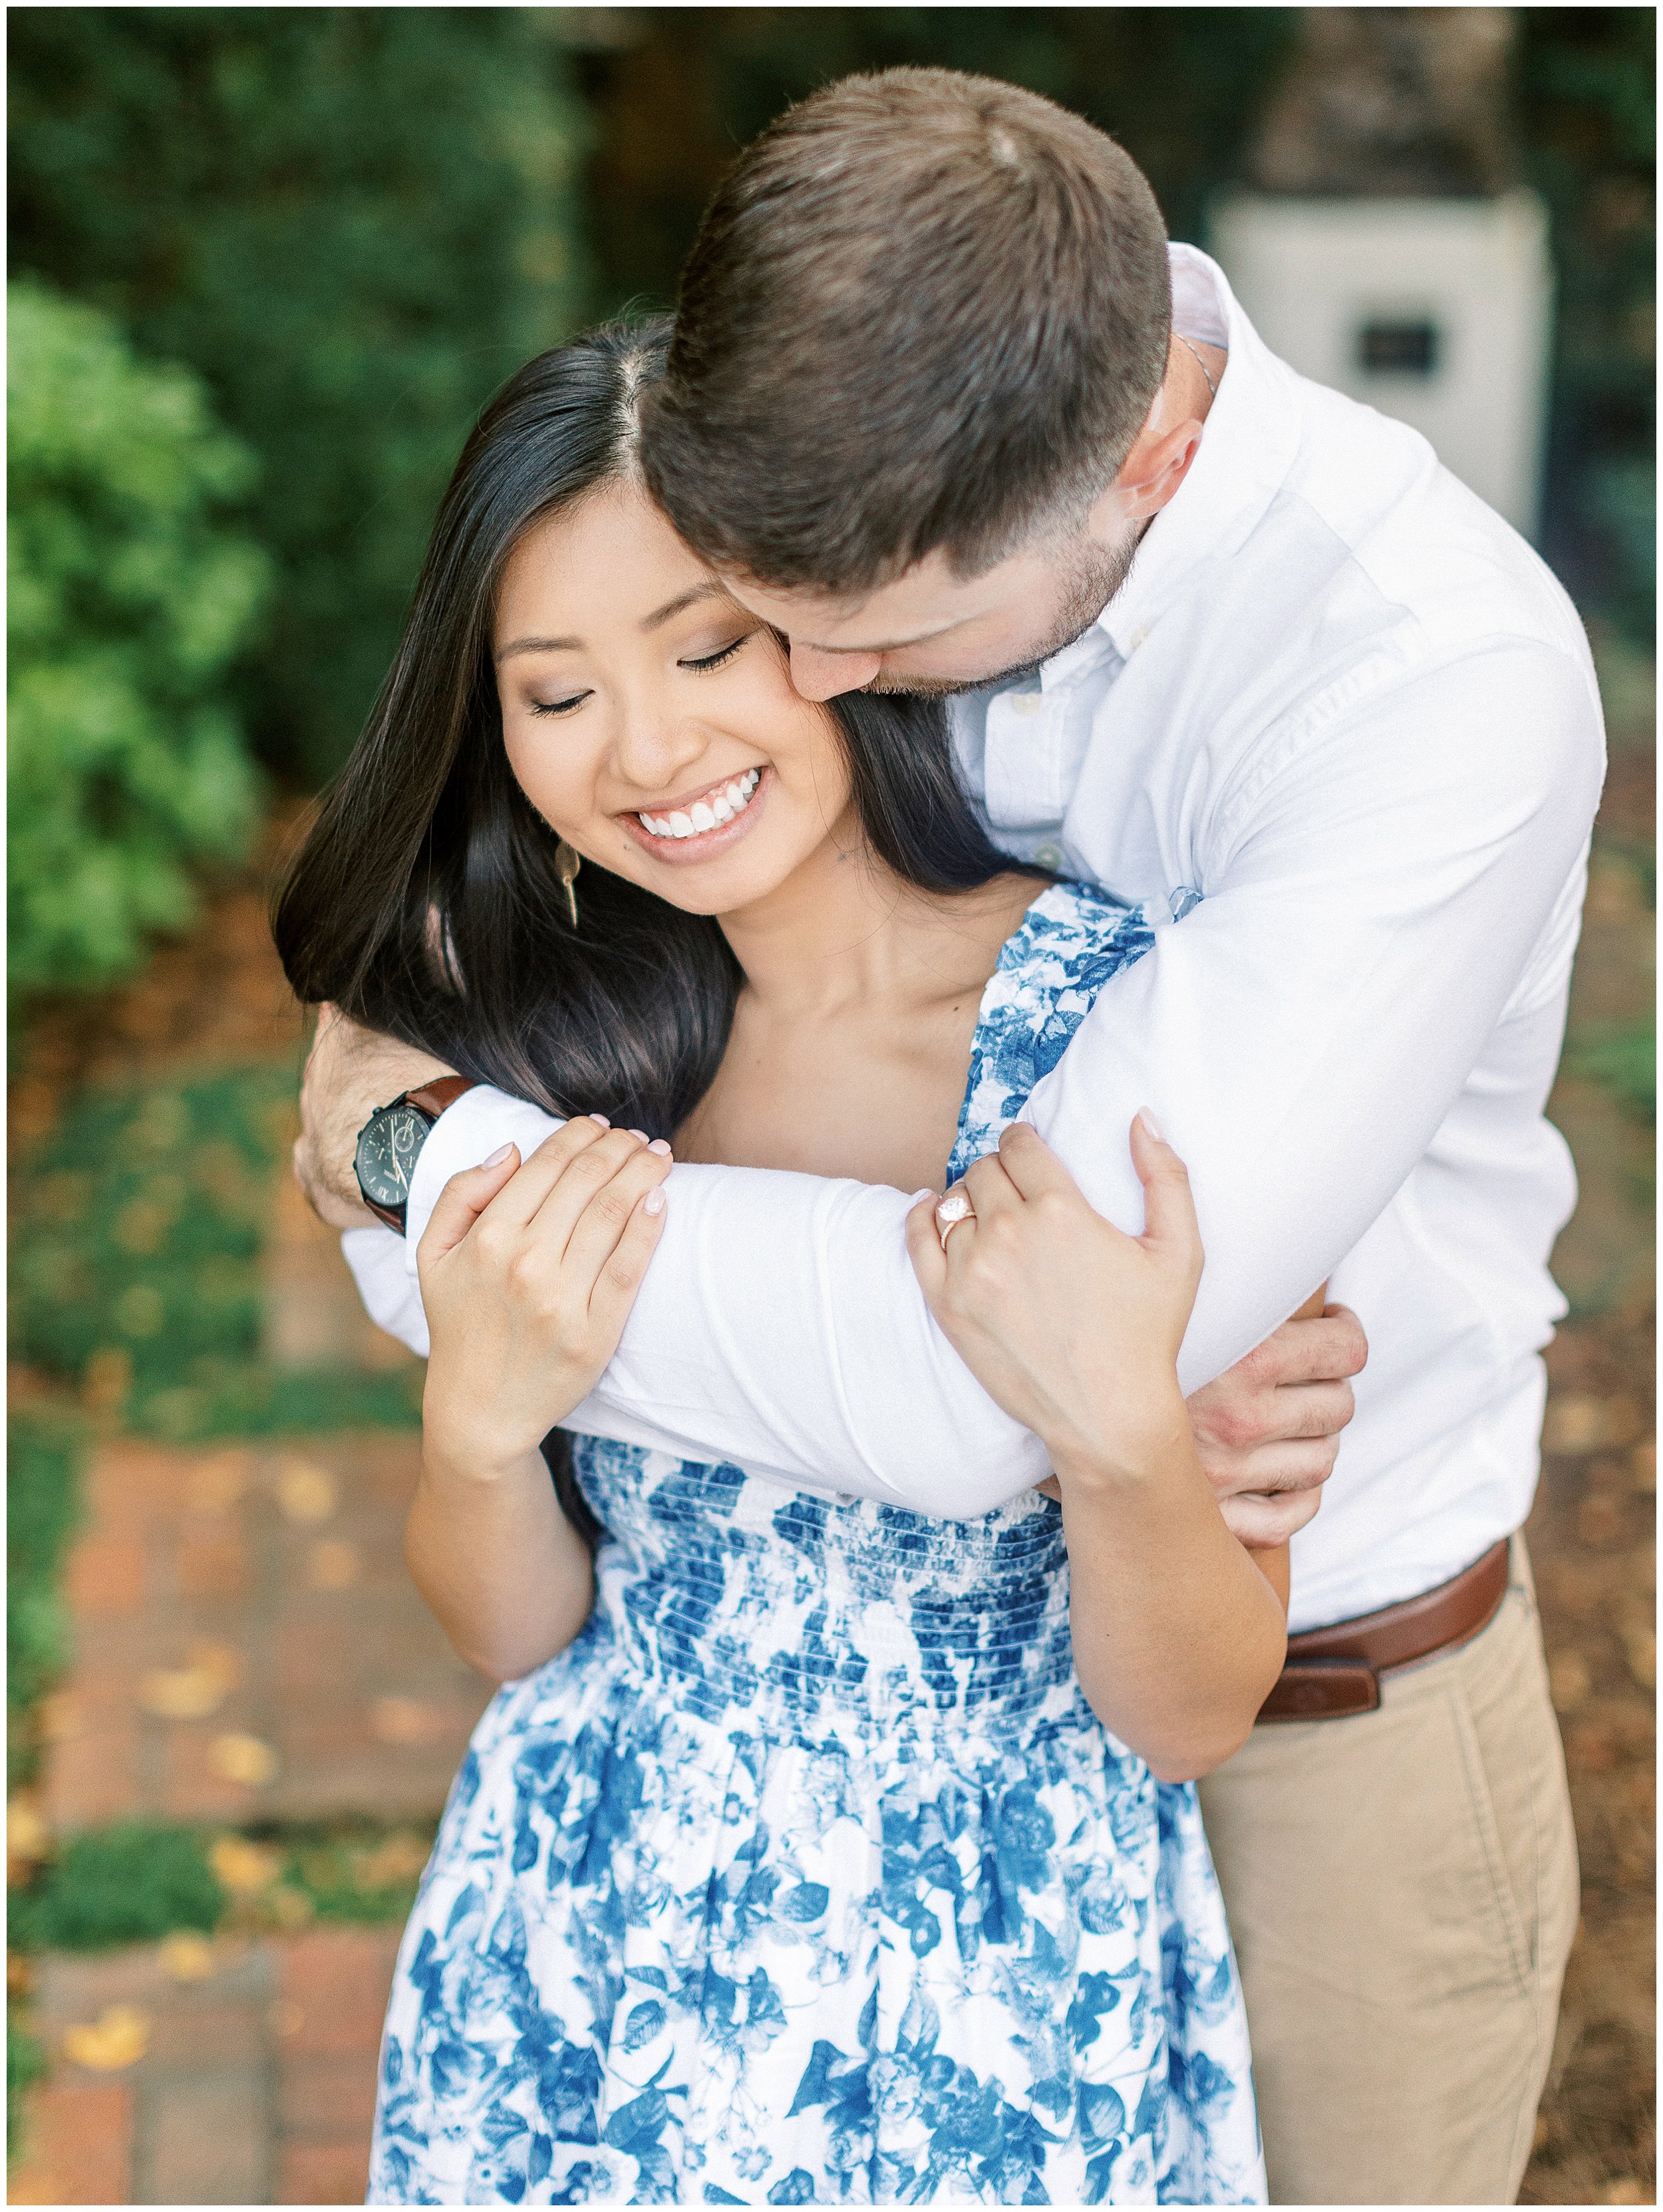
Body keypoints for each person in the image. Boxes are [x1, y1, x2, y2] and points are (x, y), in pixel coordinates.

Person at [297, 71, 1598, 2205]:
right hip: (627, 1940)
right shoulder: (624, 951)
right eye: (754, 594)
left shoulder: (1421, 682)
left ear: (1141, 462)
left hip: (1262, 1760)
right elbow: (518, 1581)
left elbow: (982, 1393)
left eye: (835, 638)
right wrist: (460, 1271)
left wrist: (432, 1185)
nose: (800, 673)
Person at [275, 325, 1290, 2206]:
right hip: (591, 1944)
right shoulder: (553, 1058)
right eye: (553, 692)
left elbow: (1189, 1711)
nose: (650, 753)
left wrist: (1130, 1449)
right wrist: (477, 1440)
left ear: (830, 629)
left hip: (990, 1987)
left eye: (702, 646)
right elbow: (518, 1640)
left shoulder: (1117, 1025)